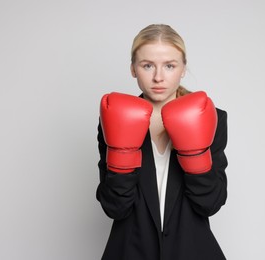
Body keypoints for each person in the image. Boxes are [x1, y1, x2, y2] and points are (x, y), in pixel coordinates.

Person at [96, 24, 228, 260]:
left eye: (169, 65)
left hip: (193, 252)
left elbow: (211, 203)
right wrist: (122, 154)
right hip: (131, 251)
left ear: (183, 68)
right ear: (133, 69)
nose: (158, 77)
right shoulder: (114, 117)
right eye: (147, 65)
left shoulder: (212, 118)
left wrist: (194, 155)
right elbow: (115, 207)